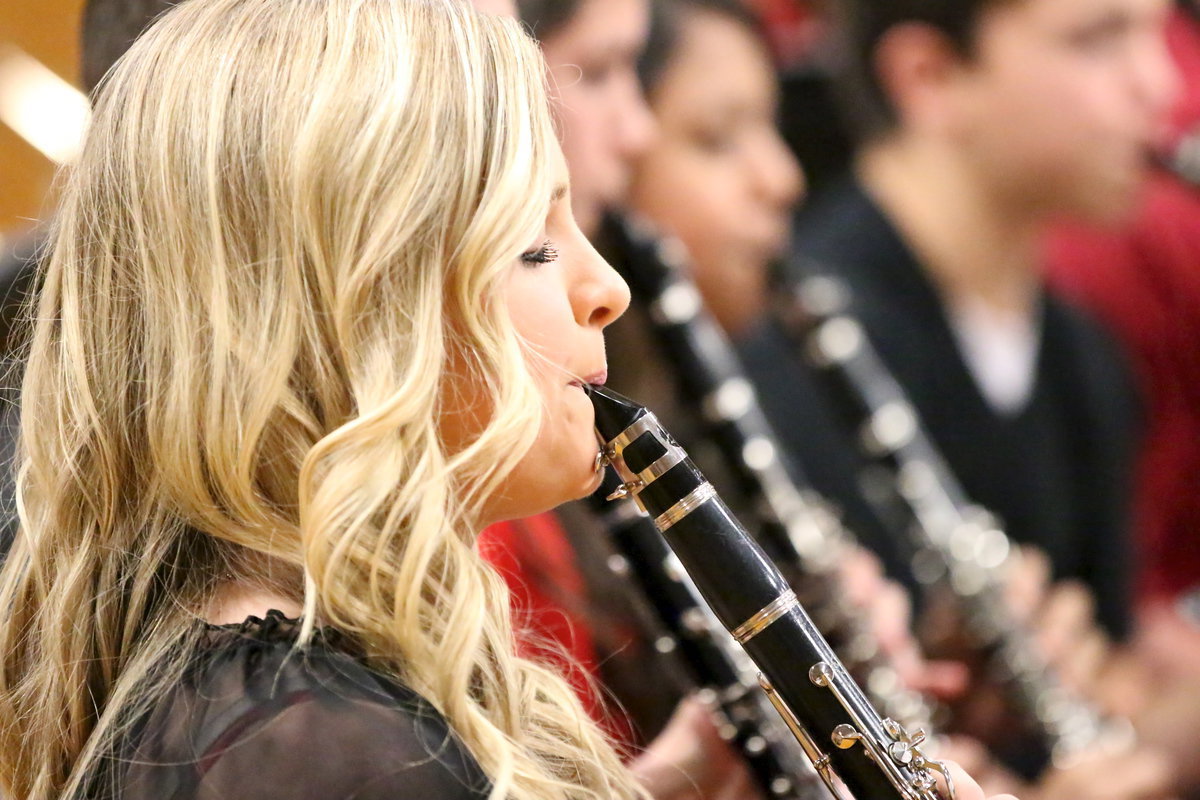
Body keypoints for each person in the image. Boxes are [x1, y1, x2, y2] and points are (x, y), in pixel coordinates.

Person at [735, 0, 1179, 793]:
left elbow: (1116, 674)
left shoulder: (1085, 355)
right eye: (1098, 38)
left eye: (1157, 31)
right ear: (930, 77)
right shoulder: (791, 356)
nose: (1161, 84)